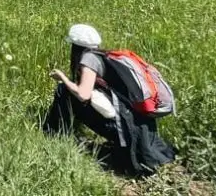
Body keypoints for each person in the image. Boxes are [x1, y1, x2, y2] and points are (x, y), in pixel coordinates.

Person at [42, 24, 175, 176]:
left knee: (63, 90)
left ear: (76, 46)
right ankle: (59, 133)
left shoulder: (88, 59)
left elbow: (83, 94)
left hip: (119, 127)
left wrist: (63, 78)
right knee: (69, 91)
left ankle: (54, 133)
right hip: (131, 124)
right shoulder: (102, 56)